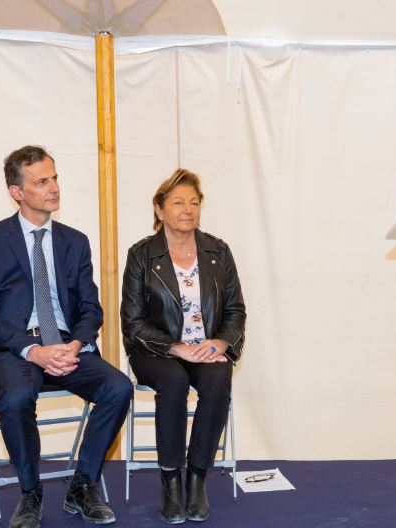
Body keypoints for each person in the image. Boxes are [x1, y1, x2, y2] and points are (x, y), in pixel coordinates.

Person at [0, 145, 132, 528]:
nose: (54, 187)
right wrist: (33, 350)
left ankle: (83, 483)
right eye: (42, 181)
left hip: (65, 344)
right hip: (12, 348)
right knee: (19, 394)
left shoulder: (74, 241)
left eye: (55, 177)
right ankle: (30, 491)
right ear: (17, 191)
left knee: (118, 387)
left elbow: (91, 308)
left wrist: (75, 344)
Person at [121, 168, 246, 524]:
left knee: (219, 377)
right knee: (173, 381)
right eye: (178, 202)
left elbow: (236, 310)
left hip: (205, 348)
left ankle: (197, 479)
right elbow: (132, 323)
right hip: (156, 351)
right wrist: (175, 347)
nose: (187, 209)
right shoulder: (141, 255)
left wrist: (220, 341)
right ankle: (171, 481)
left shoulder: (217, 252)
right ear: (159, 210)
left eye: (194, 202)